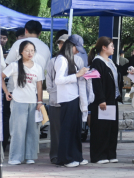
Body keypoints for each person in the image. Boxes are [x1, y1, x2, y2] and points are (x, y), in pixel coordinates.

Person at [3, 41, 44, 165]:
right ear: (21, 52)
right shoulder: (14, 65)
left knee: (32, 131)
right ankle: (15, 157)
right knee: (18, 131)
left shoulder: (38, 67)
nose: (30, 53)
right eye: (27, 50)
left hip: (33, 102)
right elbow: (1, 77)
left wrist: (40, 101)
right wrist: (6, 92)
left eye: (32, 50)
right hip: (18, 101)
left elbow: (39, 86)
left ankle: (29, 156)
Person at [53, 39, 89, 167]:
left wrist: (83, 74)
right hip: (67, 98)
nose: (78, 51)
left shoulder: (69, 59)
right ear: (70, 46)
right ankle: (66, 159)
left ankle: (76, 157)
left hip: (74, 97)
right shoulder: (61, 59)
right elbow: (58, 80)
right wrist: (77, 75)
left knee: (76, 129)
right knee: (67, 130)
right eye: (76, 48)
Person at [89, 37, 120, 164]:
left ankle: (110, 153)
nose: (113, 48)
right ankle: (99, 155)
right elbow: (96, 82)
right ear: (104, 47)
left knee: (112, 128)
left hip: (112, 99)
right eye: (111, 46)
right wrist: (101, 99)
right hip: (102, 101)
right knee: (101, 128)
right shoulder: (97, 62)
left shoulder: (110, 62)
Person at [45, 33, 70, 165]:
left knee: (70, 130)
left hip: (71, 101)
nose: (62, 46)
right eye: (60, 43)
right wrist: (55, 93)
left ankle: (69, 154)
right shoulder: (53, 61)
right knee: (55, 131)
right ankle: (55, 155)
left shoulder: (77, 60)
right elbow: (49, 81)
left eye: (64, 43)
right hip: (56, 101)